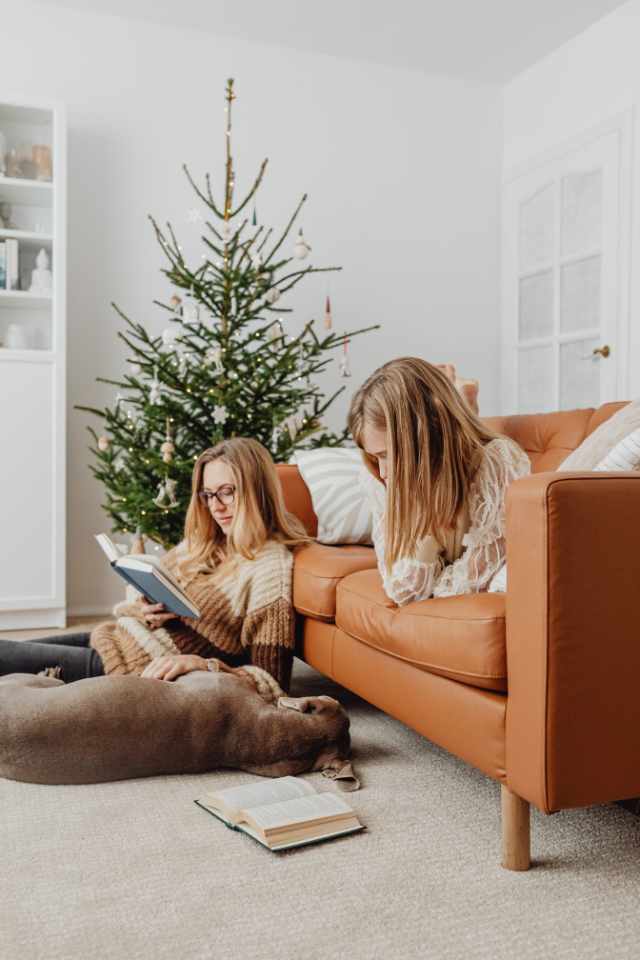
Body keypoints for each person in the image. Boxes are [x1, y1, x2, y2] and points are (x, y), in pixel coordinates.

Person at [0, 438, 309, 691]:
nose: (216, 506)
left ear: (257, 490)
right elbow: (137, 600)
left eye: (228, 491)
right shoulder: (202, 544)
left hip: (129, 669)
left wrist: (203, 665)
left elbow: (273, 682)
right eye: (208, 494)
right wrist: (143, 608)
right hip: (114, 638)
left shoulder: (270, 568)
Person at [347, 357, 530, 606]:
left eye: (388, 455)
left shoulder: (498, 461)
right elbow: (401, 590)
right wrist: (430, 534)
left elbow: (474, 581)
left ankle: (462, 400)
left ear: (423, 438)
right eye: (375, 456)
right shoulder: (377, 479)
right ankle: (462, 399)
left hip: (458, 457)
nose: (383, 472)